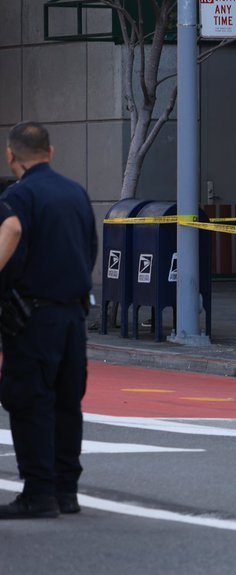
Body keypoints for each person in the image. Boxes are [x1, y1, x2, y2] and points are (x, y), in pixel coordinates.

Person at [0, 122, 96, 519]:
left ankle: (39, 495)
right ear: (50, 152)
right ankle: (66, 491)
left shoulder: (19, 196)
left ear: (11, 156)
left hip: (32, 317)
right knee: (66, 402)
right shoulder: (76, 193)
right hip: (73, 314)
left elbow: (13, 228)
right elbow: (89, 247)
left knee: (30, 401)